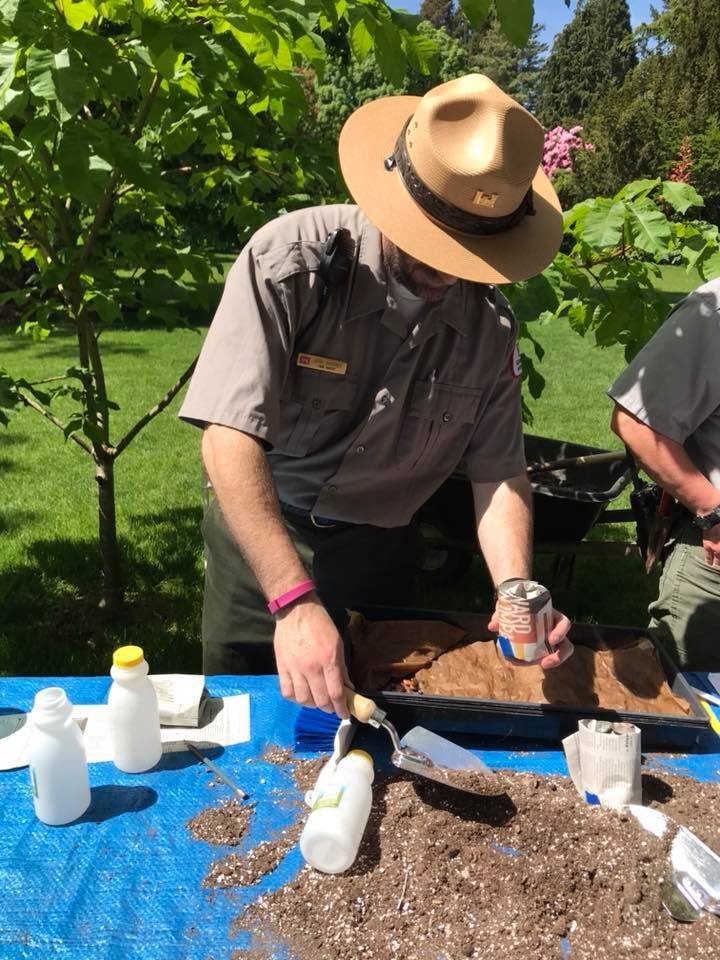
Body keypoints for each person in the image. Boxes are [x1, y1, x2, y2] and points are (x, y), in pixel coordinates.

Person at [179, 73, 573, 714]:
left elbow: (499, 474)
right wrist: (291, 601)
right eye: (434, 241)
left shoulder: (490, 324)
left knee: (379, 725)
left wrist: (516, 588)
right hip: (266, 538)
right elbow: (228, 436)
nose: (448, 269)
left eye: (472, 251)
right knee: (253, 725)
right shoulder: (290, 262)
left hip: (384, 549)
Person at [609, 278, 720, 670]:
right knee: (696, 712)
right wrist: (712, 510)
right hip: (716, 571)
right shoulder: (716, 310)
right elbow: (638, 422)